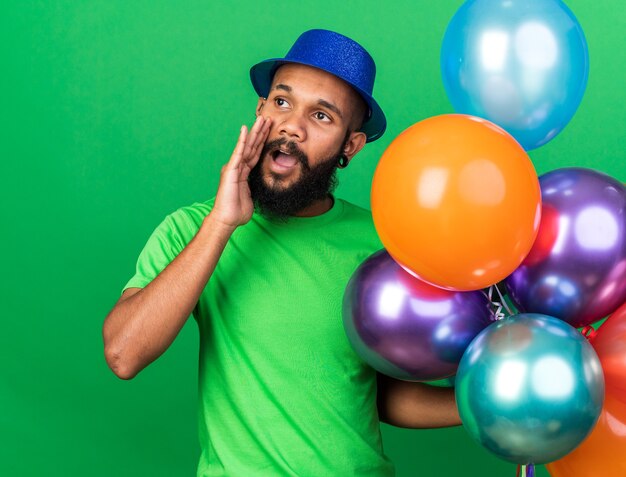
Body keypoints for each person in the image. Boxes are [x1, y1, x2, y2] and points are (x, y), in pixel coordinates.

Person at [103, 29, 460, 477]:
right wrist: (221, 224)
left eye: (323, 116)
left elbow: (374, 393)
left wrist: (480, 403)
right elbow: (124, 353)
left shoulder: (382, 243)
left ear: (350, 145)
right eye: (282, 102)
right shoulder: (192, 229)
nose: (292, 125)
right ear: (260, 109)